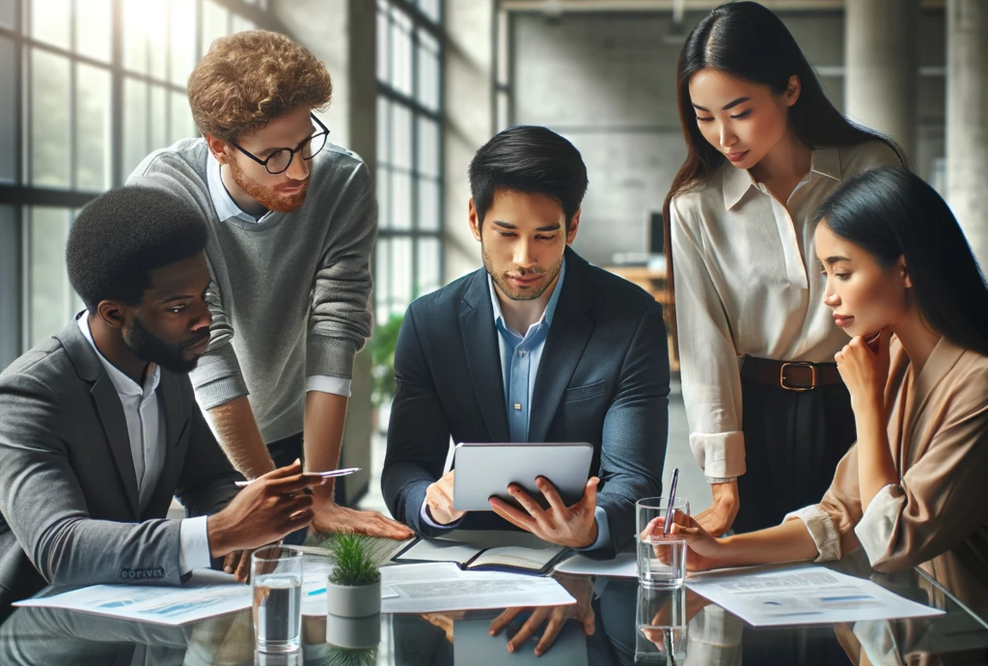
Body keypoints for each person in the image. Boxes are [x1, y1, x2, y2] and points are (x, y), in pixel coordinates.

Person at [126, 30, 411, 541]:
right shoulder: (163, 190)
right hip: (189, 441)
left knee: (317, 594)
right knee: (217, 605)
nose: (299, 169)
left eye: (306, 143)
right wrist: (281, 497)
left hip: (294, 432)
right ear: (219, 147)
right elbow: (201, 344)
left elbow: (336, 325)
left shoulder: (341, 180)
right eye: (275, 155)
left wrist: (318, 491)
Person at [0, 187, 325, 618]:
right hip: (35, 623)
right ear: (115, 314)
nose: (205, 318)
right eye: (178, 307)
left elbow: (206, 480)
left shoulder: (166, 363)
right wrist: (219, 532)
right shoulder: (27, 394)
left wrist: (245, 528)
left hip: (137, 617)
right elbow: (60, 548)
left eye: (204, 296)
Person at [667, 167, 988, 578]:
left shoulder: (975, 384)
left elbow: (891, 541)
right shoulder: (895, 360)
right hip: (905, 621)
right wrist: (718, 551)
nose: (829, 297)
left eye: (843, 272)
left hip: (961, 629)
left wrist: (867, 405)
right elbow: (839, 515)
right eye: (824, 273)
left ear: (906, 269)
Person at [664, 1, 908, 535]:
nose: (723, 137)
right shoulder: (695, 207)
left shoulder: (871, 169)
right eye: (705, 118)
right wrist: (725, 488)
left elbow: (908, 304)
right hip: (759, 418)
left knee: (872, 577)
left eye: (740, 111)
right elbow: (705, 351)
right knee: (757, 588)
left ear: (791, 90)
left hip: (864, 402)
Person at [381, 126, 670, 556]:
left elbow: (633, 477)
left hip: (582, 560)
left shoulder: (631, 319)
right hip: (471, 551)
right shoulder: (431, 323)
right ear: (475, 221)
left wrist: (590, 527)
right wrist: (431, 502)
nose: (524, 259)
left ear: (572, 227)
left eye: (544, 236)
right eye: (506, 233)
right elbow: (406, 466)